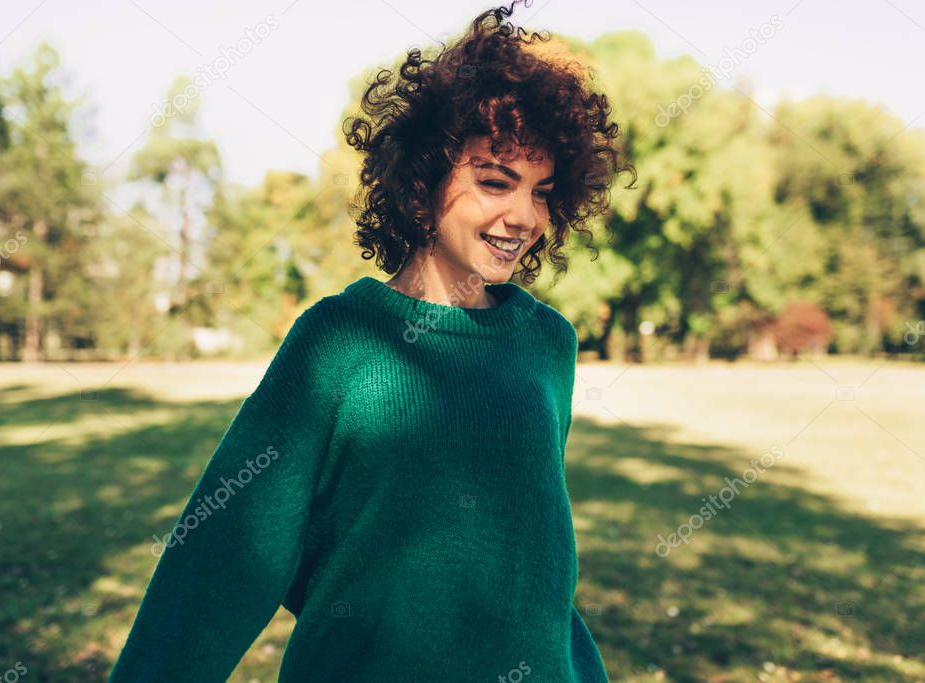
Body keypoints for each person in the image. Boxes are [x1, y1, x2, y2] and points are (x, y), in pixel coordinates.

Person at [107, 1, 634, 680]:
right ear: (422, 183)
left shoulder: (548, 344)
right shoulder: (337, 340)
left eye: (541, 190)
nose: (524, 215)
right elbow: (227, 551)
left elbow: (532, 558)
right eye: (495, 181)